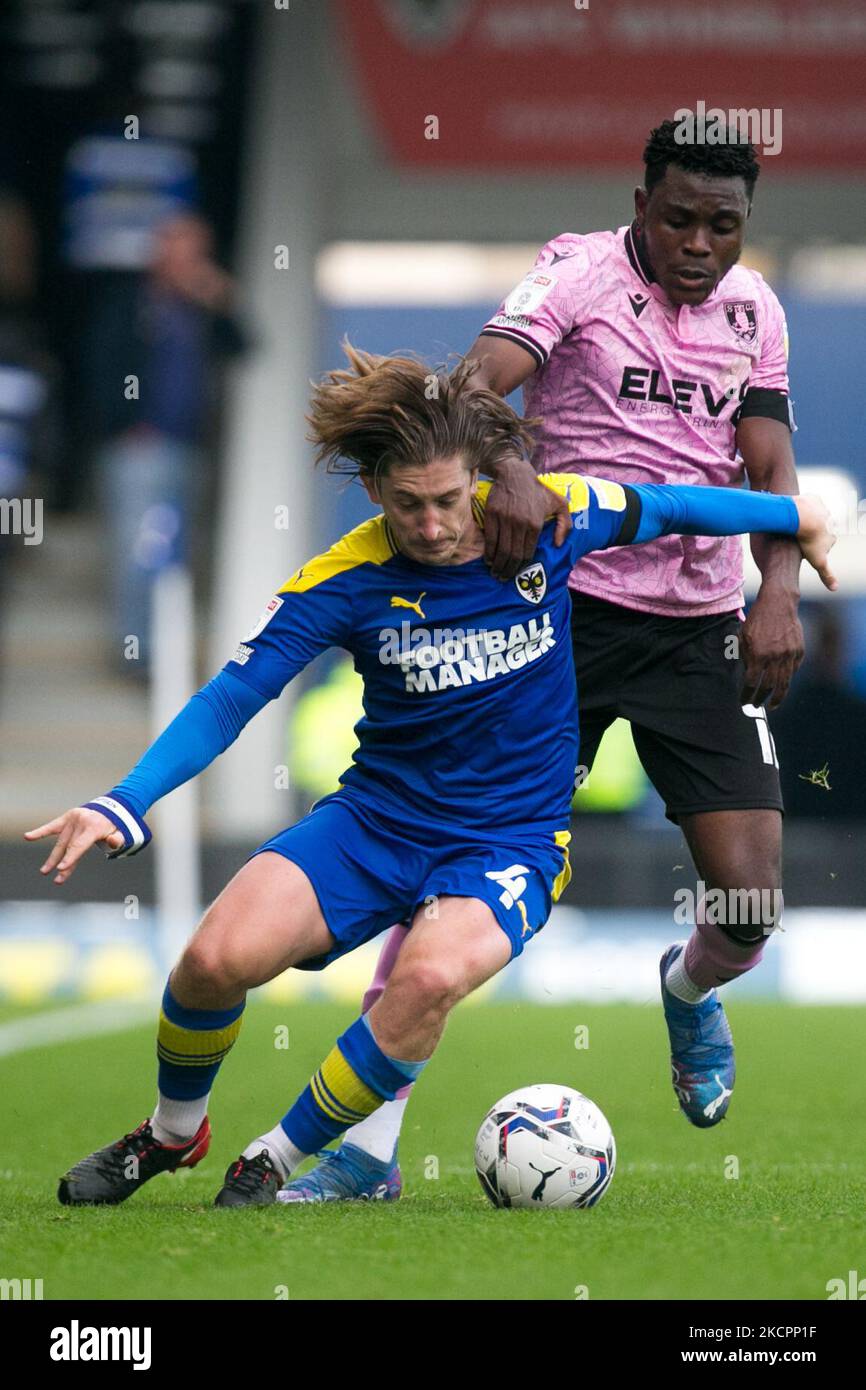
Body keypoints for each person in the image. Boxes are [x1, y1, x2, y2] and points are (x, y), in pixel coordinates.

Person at [24, 347, 835, 1209]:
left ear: (476, 478)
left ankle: (274, 1157)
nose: (435, 525)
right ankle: (171, 1135)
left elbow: (674, 507)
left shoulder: (550, 521)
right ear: (375, 490)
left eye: (449, 500)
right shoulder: (344, 578)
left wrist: (795, 514)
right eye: (408, 505)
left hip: (509, 841)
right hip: (374, 822)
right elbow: (232, 699)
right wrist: (127, 801)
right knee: (211, 961)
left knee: (429, 979)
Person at [288, 119, 813, 1201]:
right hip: (552, 619)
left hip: (695, 625)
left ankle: (686, 988)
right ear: (639, 202)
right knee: (452, 882)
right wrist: (511, 462)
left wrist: (774, 591)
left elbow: (765, 459)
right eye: (678, 218)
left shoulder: (755, 312)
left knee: (751, 900)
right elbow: (470, 388)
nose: (698, 243)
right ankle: (364, 1145)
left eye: (722, 223)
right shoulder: (574, 274)